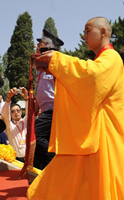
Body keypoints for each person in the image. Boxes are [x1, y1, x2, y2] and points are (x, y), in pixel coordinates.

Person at [27, 17, 124, 199]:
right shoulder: (102, 60)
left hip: (104, 137)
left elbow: (91, 77)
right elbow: (85, 80)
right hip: (92, 136)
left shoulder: (112, 58)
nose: (84, 36)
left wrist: (58, 62)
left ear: (103, 32)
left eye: (88, 31)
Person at [34, 29, 64, 169]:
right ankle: (48, 171)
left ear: (50, 46)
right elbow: (40, 93)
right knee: (44, 141)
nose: (38, 44)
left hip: (55, 109)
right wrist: (33, 113)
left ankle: (55, 162)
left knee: (36, 134)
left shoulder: (56, 63)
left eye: (41, 42)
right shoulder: (40, 67)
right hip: (46, 111)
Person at [2, 87, 28, 161]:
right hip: (14, 160)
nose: (16, 112)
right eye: (13, 111)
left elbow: (30, 113)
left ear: (21, 112)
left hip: (28, 158)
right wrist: (8, 99)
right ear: (10, 114)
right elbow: (4, 114)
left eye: (18, 110)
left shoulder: (25, 122)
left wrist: (26, 99)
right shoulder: (9, 126)